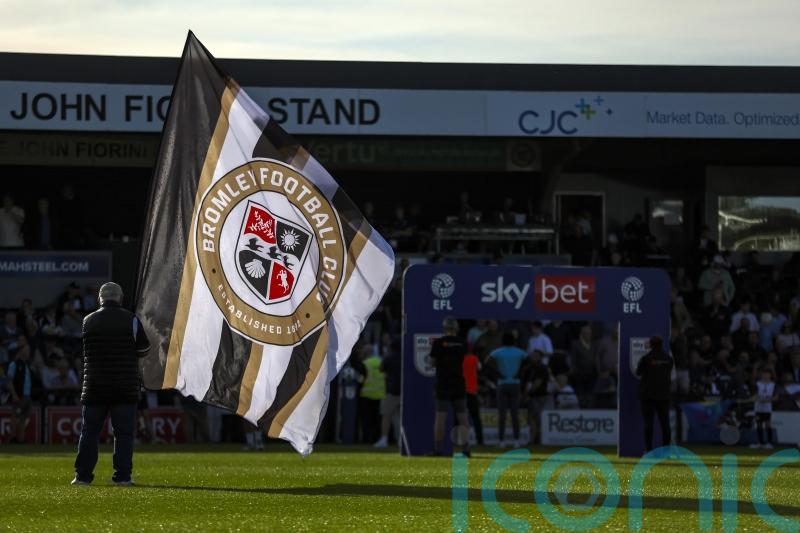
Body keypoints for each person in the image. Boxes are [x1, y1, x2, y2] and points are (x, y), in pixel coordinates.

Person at [72, 282, 151, 486]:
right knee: (123, 434)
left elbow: (86, 352)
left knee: (89, 431)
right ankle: (122, 477)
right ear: (120, 298)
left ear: (100, 299)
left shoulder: (87, 321)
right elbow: (144, 350)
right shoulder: (131, 319)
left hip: (95, 385)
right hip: (124, 387)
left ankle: (82, 476)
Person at [429, 316, 471, 457]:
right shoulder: (463, 343)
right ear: (457, 328)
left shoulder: (439, 343)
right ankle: (466, 449)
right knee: (463, 417)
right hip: (458, 383)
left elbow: (431, 362)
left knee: (440, 418)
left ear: (444, 327)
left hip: (443, 383)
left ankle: (438, 449)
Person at [635, 336, 674, 453]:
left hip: (648, 396)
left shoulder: (646, 358)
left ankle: (648, 449)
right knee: (665, 424)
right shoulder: (668, 359)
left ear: (651, 344)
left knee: (649, 424)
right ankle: (666, 450)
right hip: (664, 396)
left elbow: (638, 372)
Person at [489, 332, 527, 448]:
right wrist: (520, 374)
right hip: (515, 384)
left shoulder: (498, 352)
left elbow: (487, 362)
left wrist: (497, 374)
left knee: (502, 414)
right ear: (514, 341)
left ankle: (501, 441)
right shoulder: (519, 352)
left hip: (502, 384)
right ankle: (516, 441)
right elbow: (530, 362)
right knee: (515, 413)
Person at [374, 339, 401, 449]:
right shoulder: (404, 356)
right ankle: (400, 440)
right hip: (402, 391)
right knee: (400, 417)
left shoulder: (389, 357)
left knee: (386, 416)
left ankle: (384, 439)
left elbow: (381, 369)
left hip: (391, 391)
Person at [7, 341, 34, 443]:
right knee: (15, 416)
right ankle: (12, 437)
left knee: (23, 417)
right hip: (19, 395)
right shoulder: (14, 364)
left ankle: (21, 439)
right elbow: (9, 381)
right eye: (26, 350)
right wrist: (14, 395)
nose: (28, 352)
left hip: (27, 395)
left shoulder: (26, 365)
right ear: (21, 351)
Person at [521, 349, 549, 444]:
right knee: (532, 418)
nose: (533, 357)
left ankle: (538, 439)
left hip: (539, 396)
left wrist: (528, 393)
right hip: (531, 397)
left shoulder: (542, 368)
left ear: (540, 357)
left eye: (536, 356)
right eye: (532, 355)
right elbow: (526, 382)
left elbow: (537, 383)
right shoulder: (529, 368)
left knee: (537, 418)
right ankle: (533, 439)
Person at [358, 347, 384, 444]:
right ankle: (376, 439)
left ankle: (366, 440)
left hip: (367, 395)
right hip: (380, 395)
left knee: (366, 420)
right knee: (377, 420)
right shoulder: (380, 361)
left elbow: (361, 379)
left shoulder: (365, 364)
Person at [462, 345, 483, 446]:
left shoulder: (460, 359)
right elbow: (480, 368)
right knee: (476, 418)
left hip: (461, 391)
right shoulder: (475, 359)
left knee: (459, 417)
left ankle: (459, 440)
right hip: (472, 391)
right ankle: (480, 440)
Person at [751, 368, 777, 449]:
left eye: (767, 373)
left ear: (770, 375)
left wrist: (767, 400)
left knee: (767, 424)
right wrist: (757, 398)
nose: (766, 375)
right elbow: (754, 395)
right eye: (764, 373)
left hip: (767, 409)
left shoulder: (773, 385)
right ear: (761, 374)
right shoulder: (757, 384)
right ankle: (760, 443)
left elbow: (776, 397)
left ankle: (769, 443)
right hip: (758, 408)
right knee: (758, 425)